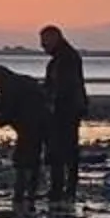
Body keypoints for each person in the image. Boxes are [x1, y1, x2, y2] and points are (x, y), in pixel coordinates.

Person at [0, 63, 50, 209]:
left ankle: (20, 194)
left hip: (28, 125)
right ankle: (30, 194)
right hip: (44, 121)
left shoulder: (9, 88)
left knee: (21, 161)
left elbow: (6, 111)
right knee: (34, 159)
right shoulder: (25, 81)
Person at [41, 24, 87, 203]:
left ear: (54, 39)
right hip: (68, 108)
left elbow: (64, 86)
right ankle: (62, 188)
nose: (42, 46)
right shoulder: (62, 58)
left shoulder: (66, 58)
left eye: (45, 42)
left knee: (62, 150)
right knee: (65, 150)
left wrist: (51, 102)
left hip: (66, 110)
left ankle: (62, 189)